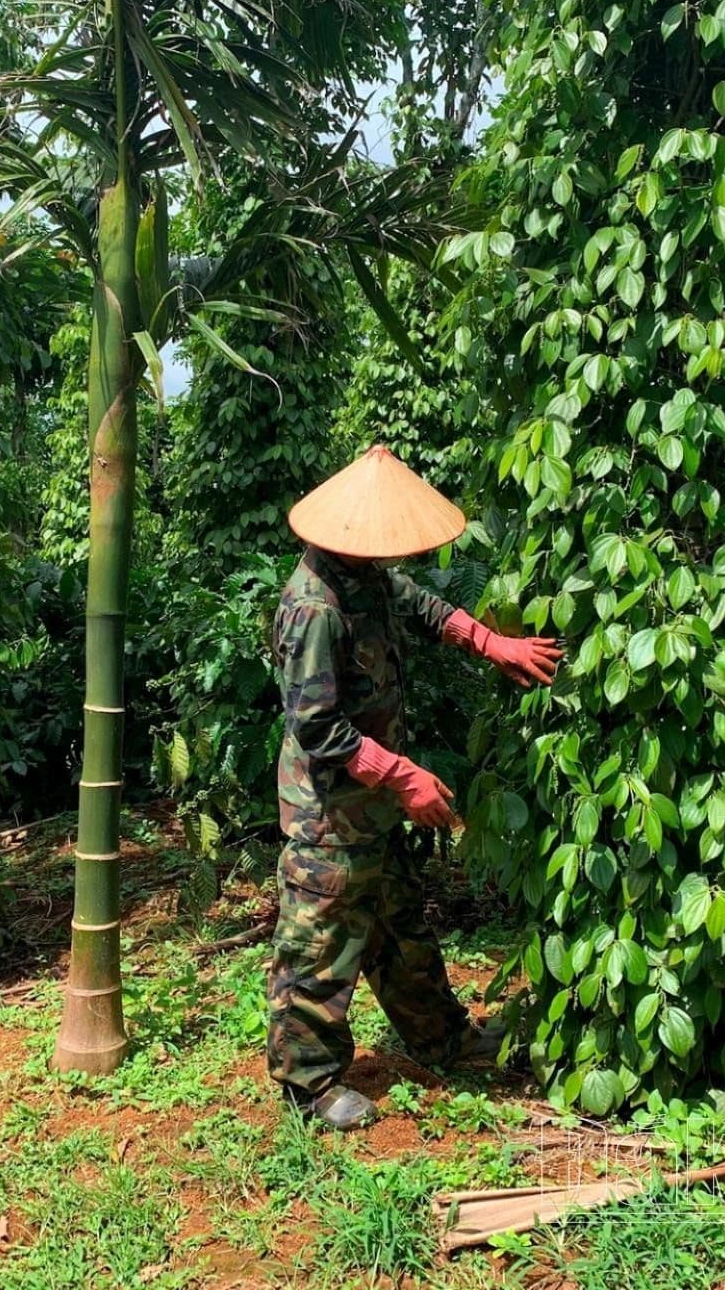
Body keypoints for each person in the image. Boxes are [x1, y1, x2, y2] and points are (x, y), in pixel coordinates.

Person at [266, 445, 563, 1130]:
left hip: (370, 810)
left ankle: (441, 1039)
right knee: (319, 943)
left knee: (399, 928)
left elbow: (423, 604)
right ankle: (307, 1086)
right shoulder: (314, 607)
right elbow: (317, 729)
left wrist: (493, 644)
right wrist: (402, 776)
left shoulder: (365, 575)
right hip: (328, 817)